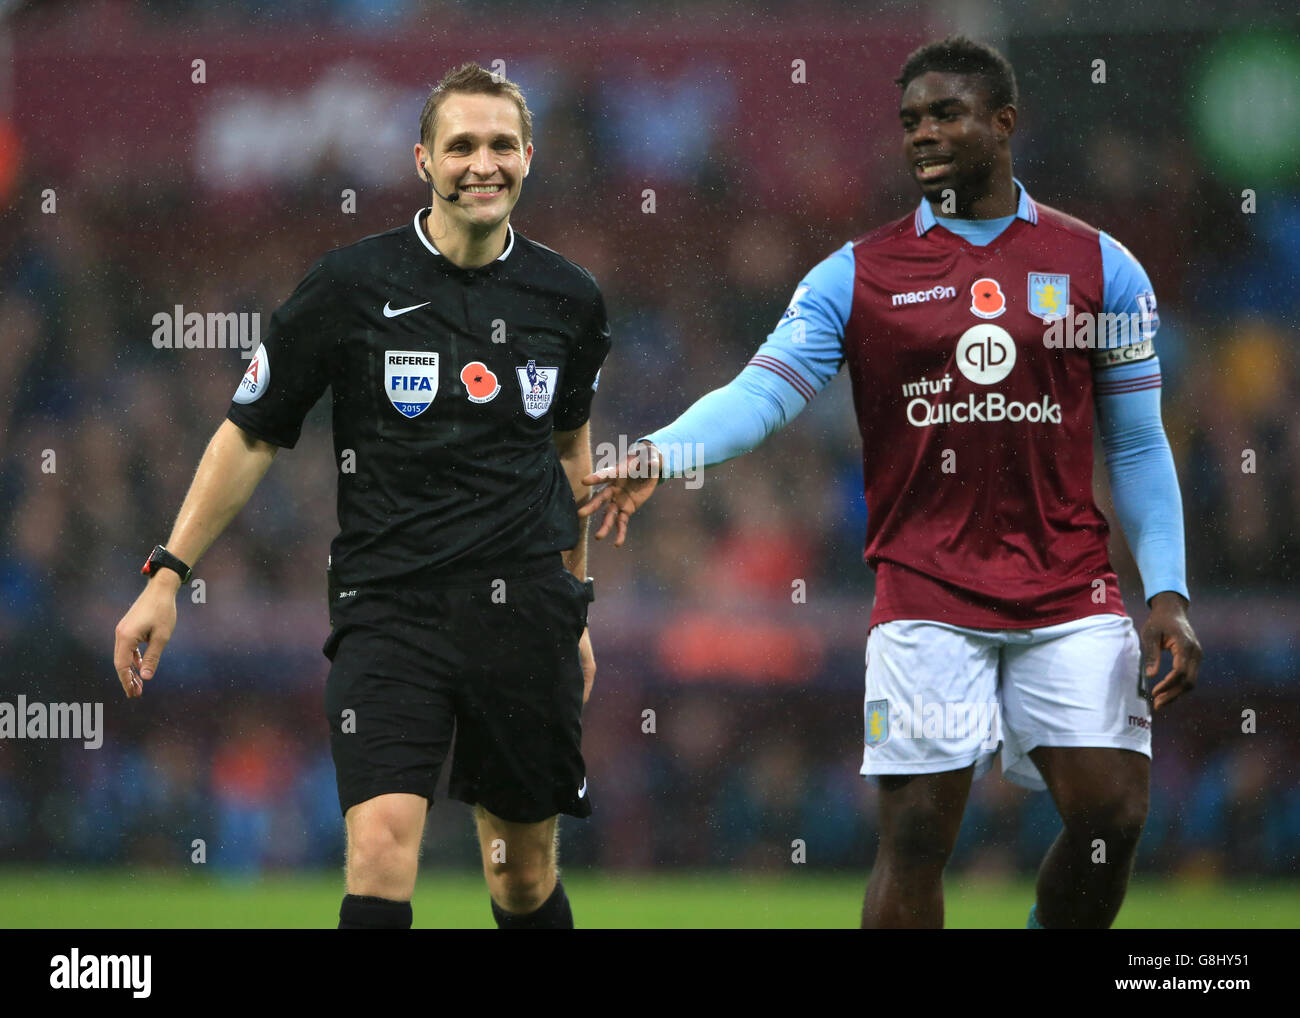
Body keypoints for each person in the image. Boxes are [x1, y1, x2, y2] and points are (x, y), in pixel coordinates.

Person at [582, 36, 1201, 929]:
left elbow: (1139, 447)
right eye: (911, 120)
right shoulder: (856, 275)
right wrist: (660, 452)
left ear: (1003, 123)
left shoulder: (1103, 268)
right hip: (924, 588)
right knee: (915, 834)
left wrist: (1170, 590)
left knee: (1114, 814)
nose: (923, 134)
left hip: (1069, 585)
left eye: (946, 114)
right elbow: (764, 392)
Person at [113, 63, 610, 930]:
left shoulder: (568, 299)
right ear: (423, 160)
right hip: (390, 612)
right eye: (461, 145)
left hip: (525, 615)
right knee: (381, 852)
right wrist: (167, 570)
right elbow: (250, 431)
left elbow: (569, 452)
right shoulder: (350, 286)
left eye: (501, 144)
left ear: (530, 155)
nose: (481, 163)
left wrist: (576, 604)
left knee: (522, 876)